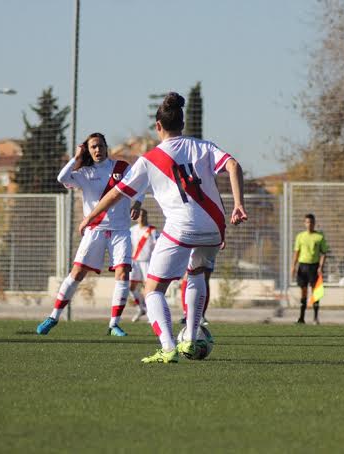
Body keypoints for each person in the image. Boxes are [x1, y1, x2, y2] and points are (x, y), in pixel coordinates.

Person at [78, 92, 248, 363]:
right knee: (197, 274)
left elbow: (115, 194)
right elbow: (233, 165)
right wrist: (239, 204)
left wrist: (90, 217)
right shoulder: (202, 146)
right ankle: (190, 340)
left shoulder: (150, 159)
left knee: (153, 290)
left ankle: (168, 347)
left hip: (181, 229)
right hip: (214, 227)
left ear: (158, 126)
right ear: (182, 123)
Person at [36, 132, 142, 337]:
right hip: (95, 230)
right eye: (92, 147)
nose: (97, 150)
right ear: (88, 150)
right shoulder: (84, 172)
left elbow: (139, 187)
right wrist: (76, 158)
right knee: (77, 273)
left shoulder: (121, 168)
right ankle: (53, 317)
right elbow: (62, 178)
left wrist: (137, 203)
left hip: (120, 230)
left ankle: (114, 324)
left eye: (100, 146)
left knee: (123, 273)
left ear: (106, 147)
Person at [290, 213, 328, 324]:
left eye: (311, 222)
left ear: (314, 223)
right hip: (303, 266)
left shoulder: (319, 237)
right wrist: (293, 266)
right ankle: (301, 318)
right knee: (303, 292)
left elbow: (323, 253)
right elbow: (296, 252)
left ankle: (315, 318)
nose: (309, 224)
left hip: (314, 267)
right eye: (307, 222)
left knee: (315, 292)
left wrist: (320, 266)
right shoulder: (300, 236)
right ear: (304, 223)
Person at [129, 209, 159, 322]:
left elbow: (157, 246)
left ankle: (152, 314)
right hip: (135, 262)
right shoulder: (132, 230)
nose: (141, 218)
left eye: (144, 215)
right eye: (140, 215)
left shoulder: (152, 230)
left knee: (149, 289)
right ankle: (141, 308)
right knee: (130, 287)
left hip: (148, 262)